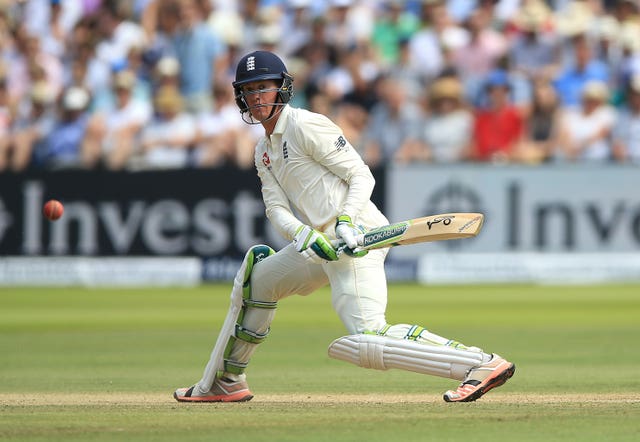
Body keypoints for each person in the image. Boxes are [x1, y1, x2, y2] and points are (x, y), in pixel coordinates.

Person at [173, 50, 515, 404]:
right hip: (321, 242)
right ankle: (226, 380)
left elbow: (360, 174)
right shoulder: (263, 148)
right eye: (250, 89)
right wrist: (303, 234)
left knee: (367, 336)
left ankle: (479, 363)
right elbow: (275, 208)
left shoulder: (307, 125)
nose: (257, 96)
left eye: (265, 87)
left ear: (282, 89)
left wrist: (347, 219)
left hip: (358, 235)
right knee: (257, 281)